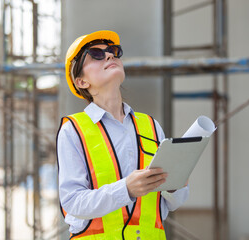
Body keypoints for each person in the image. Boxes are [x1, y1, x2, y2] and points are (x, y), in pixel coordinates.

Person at [56, 30, 189, 240]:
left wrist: (176, 184)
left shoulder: (151, 126)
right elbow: (73, 203)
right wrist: (125, 189)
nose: (110, 56)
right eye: (96, 54)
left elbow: (168, 205)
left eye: (113, 52)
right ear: (81, 81)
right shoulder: (74, 130)